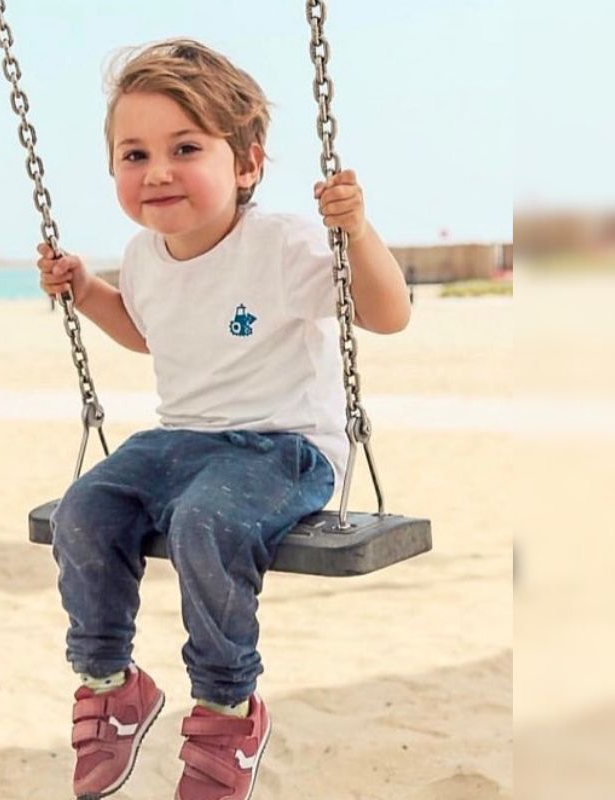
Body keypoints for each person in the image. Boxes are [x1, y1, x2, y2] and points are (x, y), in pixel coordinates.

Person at [35, 39, 411, 800]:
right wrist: (87, 291)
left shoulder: (285, 242)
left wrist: (357, 234)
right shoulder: (143, 254)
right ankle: (112, 685)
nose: (158, 171)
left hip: (284, 449)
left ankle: (227, 709)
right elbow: (147, 333)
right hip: (180, 440)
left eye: (185, 148)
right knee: (84, 509)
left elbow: (388, 314)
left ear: (246, 165)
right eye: (134, 154)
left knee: (206, 523)